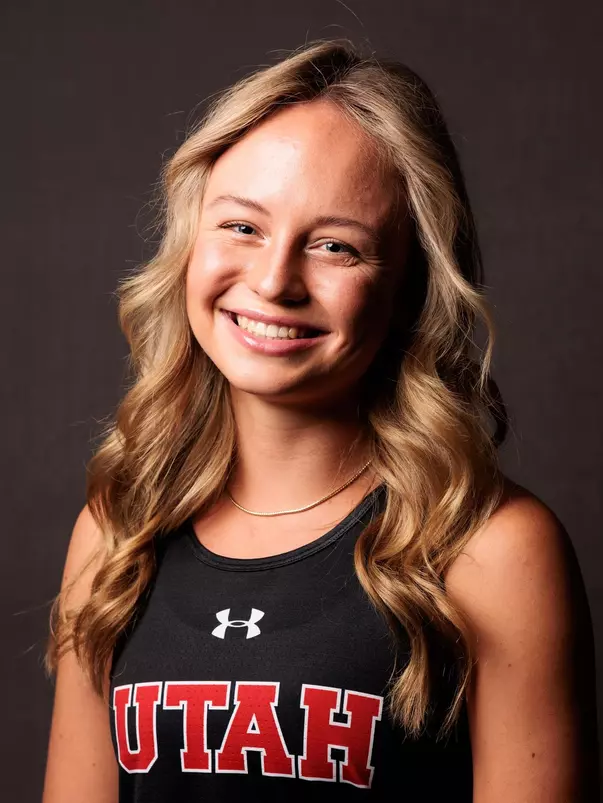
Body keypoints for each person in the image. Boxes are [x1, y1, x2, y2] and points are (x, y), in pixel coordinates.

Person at [42, 38, 599, 802]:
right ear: (188, 246)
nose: (273, 280)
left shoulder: (493, 550)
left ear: (407, 287)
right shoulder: (117, 533)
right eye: (241, 226)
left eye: (336, 246)